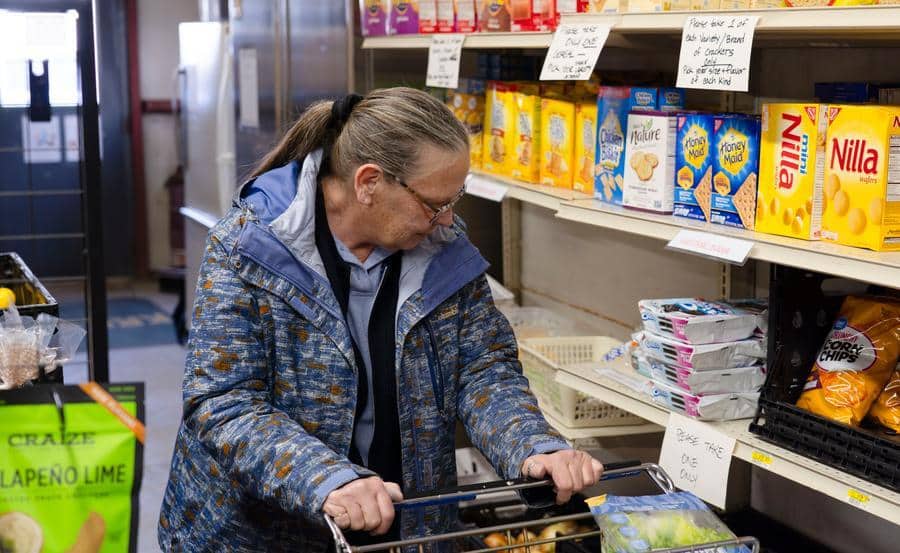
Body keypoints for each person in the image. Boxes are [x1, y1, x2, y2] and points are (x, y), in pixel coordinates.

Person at [158, 87, 604, 552]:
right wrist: (327, 478)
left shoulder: (443, 251)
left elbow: (482, 368)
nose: (448, 220)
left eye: (456, 199)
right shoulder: (248, 248)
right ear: (368, 183)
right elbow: (224, 400)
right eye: (434, 204)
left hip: (403, 523)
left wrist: (534, 446)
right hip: (260, 535)